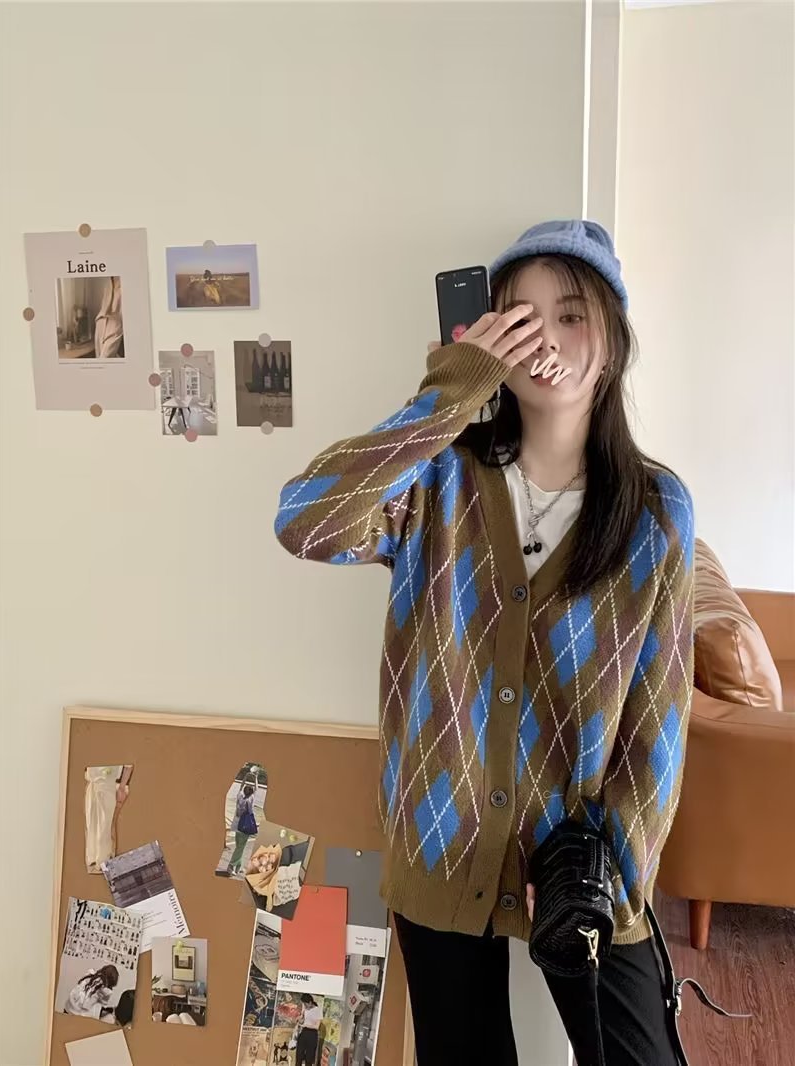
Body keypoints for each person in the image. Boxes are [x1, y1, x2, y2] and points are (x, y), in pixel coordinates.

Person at [274, 220, 695, 1066]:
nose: (547, 340)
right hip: (441, 838)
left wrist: (613, 872)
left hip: (580, 863)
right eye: (520, 319)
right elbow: (305, 522)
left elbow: (659, 721)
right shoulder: (437, 479)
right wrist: (448, 396)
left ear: (612, 340)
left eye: (570, 315)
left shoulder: (654, 511)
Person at [228, 782, 259, 875]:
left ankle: (238, 867)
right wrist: (255, 777)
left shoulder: (240, 797)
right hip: (245, 828)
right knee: (240, 848)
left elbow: (241, 787)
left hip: (237, 827)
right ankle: (231, 865)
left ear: (244, 791)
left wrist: (245, 778)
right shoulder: (250, 799)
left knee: (239, 847)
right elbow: (256, 789)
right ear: (251, 792)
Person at [295, 994, 322, 1066]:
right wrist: (299, 1020)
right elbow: (303, 1020)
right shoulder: (305, 1009)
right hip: (304, 1032)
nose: (304, 1005)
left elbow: (317, 1026)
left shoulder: (317, 1010)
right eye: (303, 1004)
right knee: (299, 1055)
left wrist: (306, 1025)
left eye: (305, 1004)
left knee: (309, 1058)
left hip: (312, 1035)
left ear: (310, 1002)